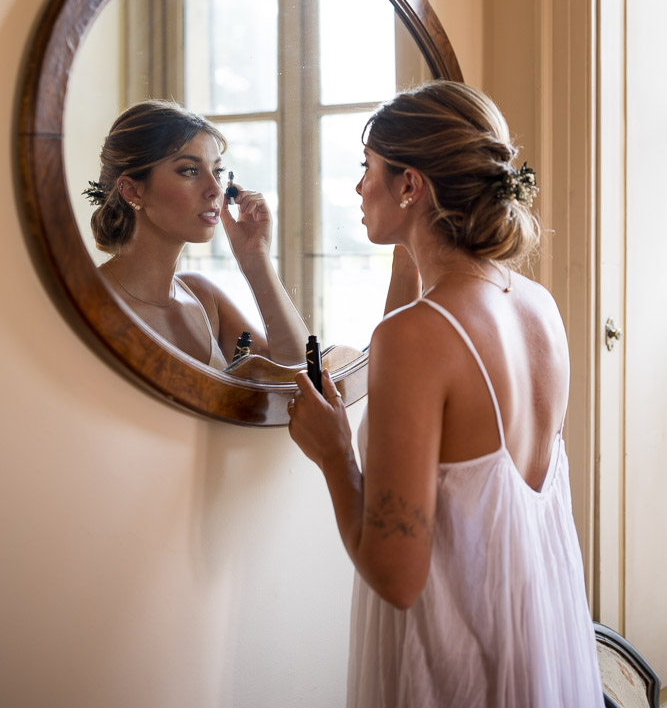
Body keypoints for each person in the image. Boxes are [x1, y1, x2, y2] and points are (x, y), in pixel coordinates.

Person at [287, 80, 604, 707]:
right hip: (535, 647)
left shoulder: (417, 337)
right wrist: (414, 248)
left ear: (410, 185)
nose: (358, 188)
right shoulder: (537, 306)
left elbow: (397, 578)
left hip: (456, 663)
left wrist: (333, 453)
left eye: (367, 167)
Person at [84, 99, 308, 369]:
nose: (216, 189)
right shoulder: (89, 309)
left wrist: (256, 259)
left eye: (217, 171)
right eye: (190, 171)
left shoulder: (202, 296)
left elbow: (299, 375)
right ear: (132, 190)